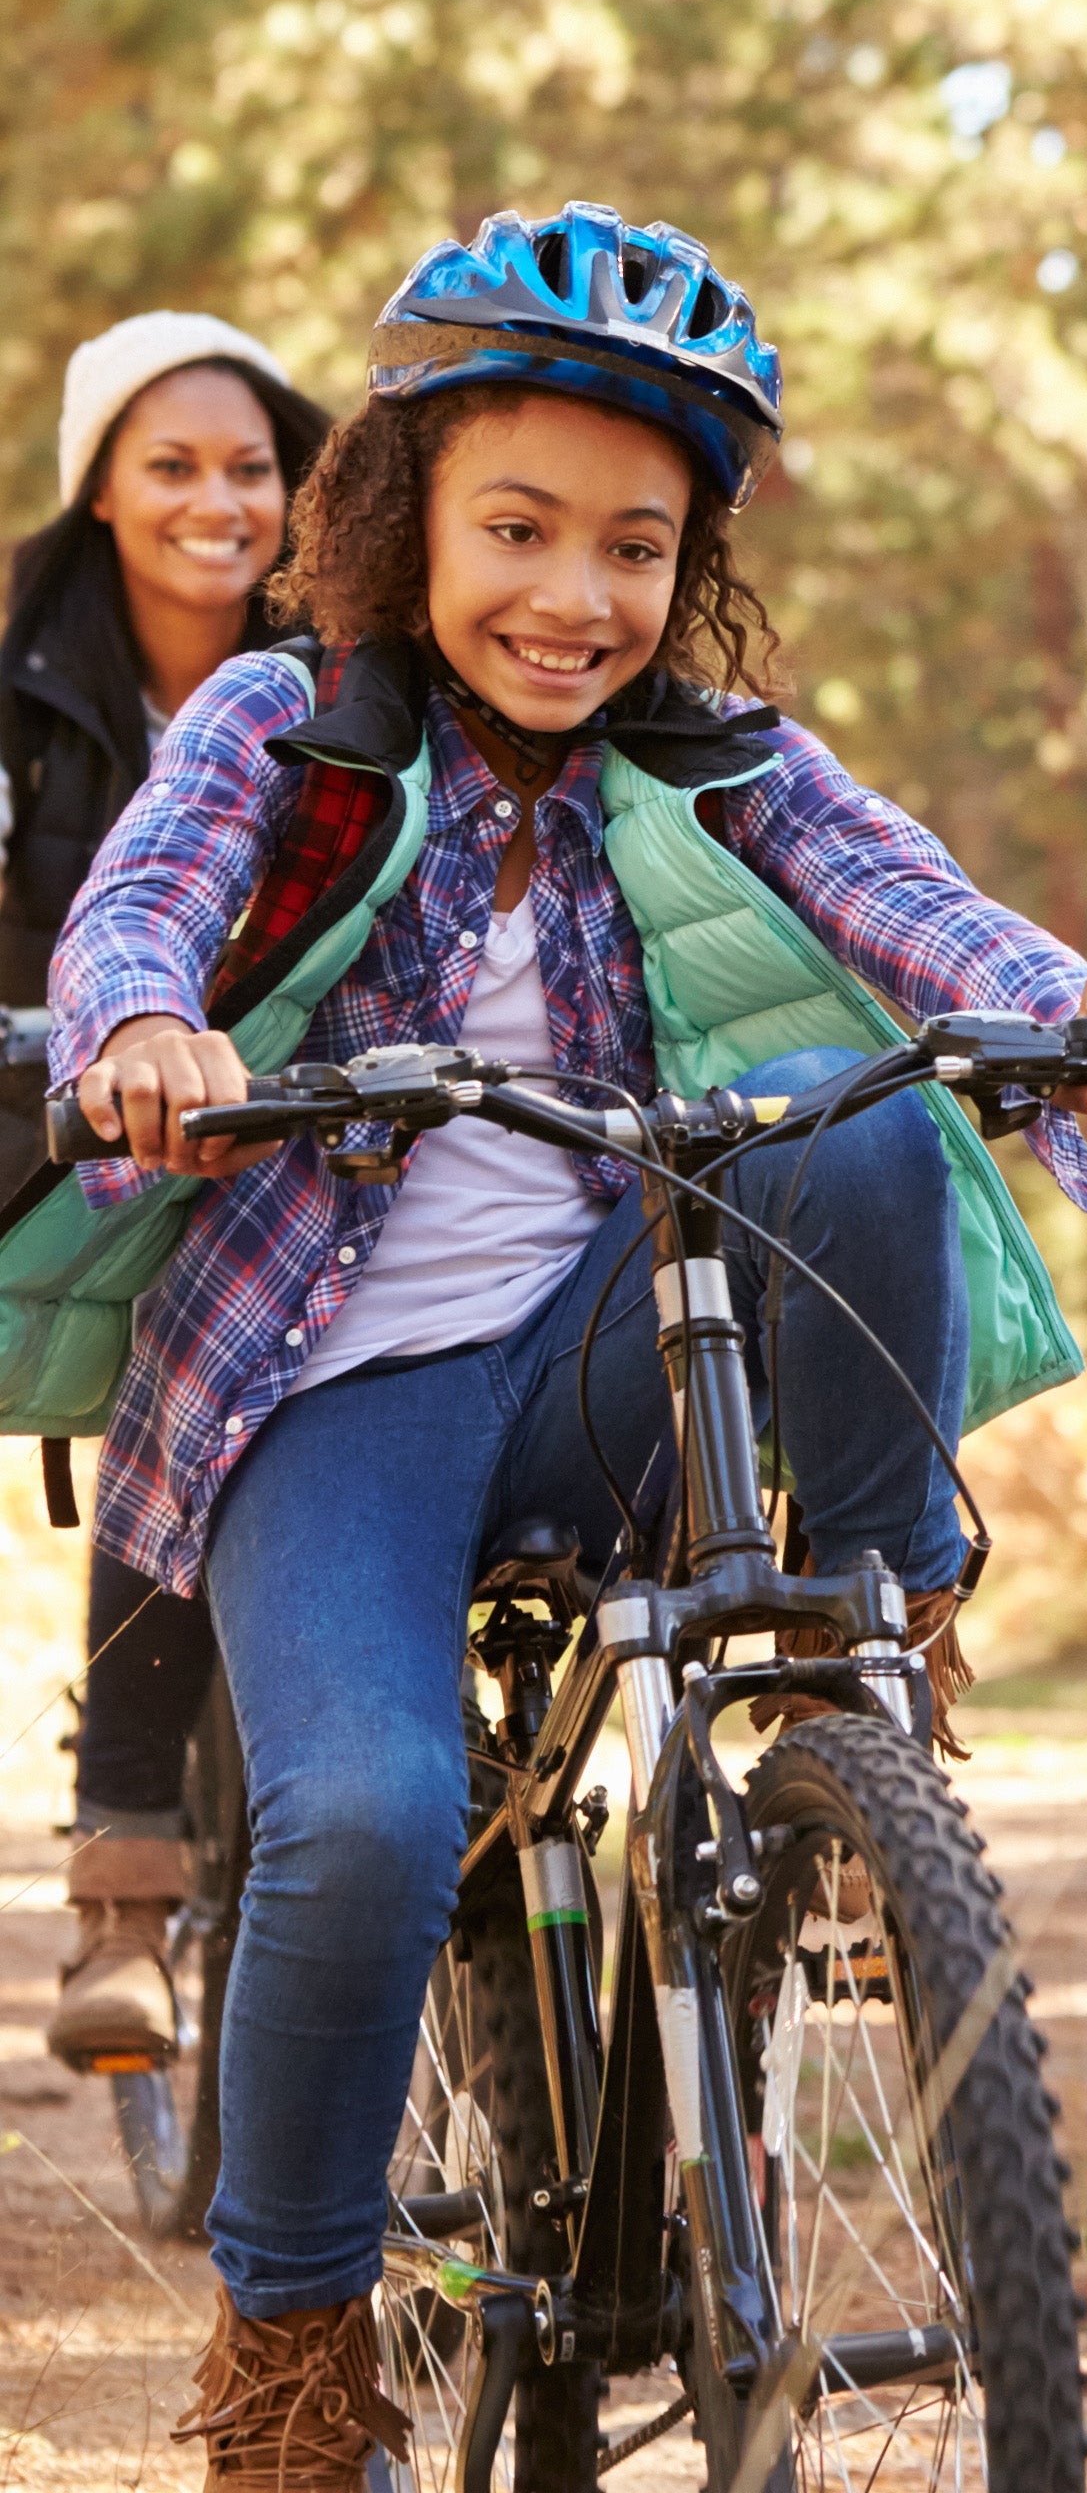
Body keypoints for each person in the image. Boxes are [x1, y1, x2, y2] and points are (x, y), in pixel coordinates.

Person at [45, 203, 1087, 2485]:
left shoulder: (710, 758)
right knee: (376, 1817)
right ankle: (292, 2360)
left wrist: (1083, 1006)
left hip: (605, 1353)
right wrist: (149, 1030)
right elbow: (142, 905)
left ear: (686, 568)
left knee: (853, 1122)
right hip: (336, 1398)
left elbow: (922, 910)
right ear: (403, 516)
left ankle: (860, 1671)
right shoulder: (279, 720)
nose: (570, 598)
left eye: (628, 547)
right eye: (516, 530)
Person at [4, 315, 332, 2074]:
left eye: (252, 468)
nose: (221, 502)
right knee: (173, 1327)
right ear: (102, 493)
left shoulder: (351, 668)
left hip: (312, 1118)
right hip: (67, 1125)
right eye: (173, 466)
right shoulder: (24, 682)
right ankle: (123, 1889)